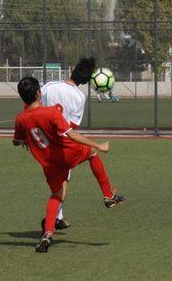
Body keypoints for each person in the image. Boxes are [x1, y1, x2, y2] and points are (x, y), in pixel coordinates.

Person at [14, 76, 125, 253]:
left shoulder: (20, 119)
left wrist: (28, 139)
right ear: (38, 93)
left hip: (49, 163)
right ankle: (108, 195)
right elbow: (72, 135)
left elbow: (17, 141)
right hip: (67, 153)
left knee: (57, 194)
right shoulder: (51, 113)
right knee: (93, 154)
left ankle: (47, 235)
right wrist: (98, 145)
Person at [39, 56, 95, 230]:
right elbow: (72, 127)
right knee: (62, 185)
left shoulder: (49, 87)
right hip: (63, 145)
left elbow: (35, 107)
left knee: (56, 182)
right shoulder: (79, 97)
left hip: (44, 143)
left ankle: (59, 217)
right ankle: (51, 221)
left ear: (73, 70)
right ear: (86, 81)